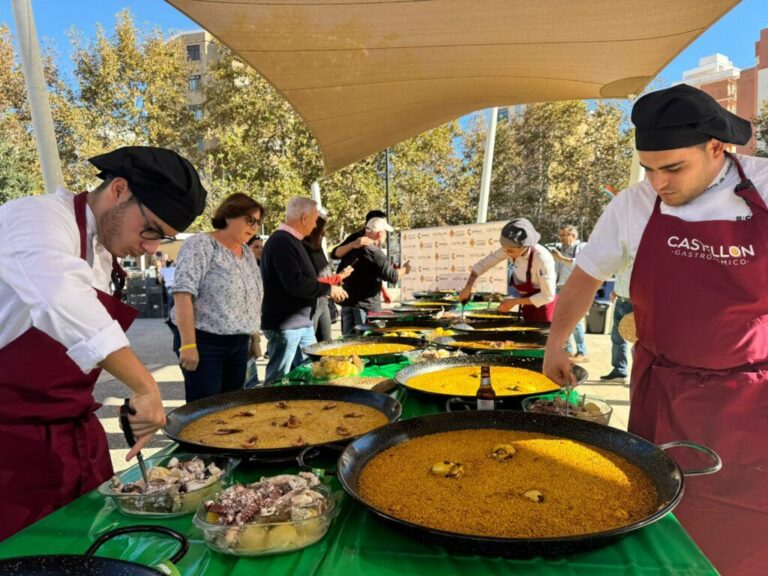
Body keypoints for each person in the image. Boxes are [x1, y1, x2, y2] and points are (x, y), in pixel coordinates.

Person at [543, 84, 767, 576]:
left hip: (752, 397)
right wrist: (556, 342)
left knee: (747, 531)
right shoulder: (633, 205)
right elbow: (585, 277)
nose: (657, 182)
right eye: (648, 167)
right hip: (660, 388)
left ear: (716, 148)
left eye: (672, 168)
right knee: (656, 508)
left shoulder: (765, 186)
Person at [0, 146, 206, 541]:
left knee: (93, 545)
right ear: (118, 190)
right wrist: (144, 384)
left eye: (162, 239)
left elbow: (87, 350)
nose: (151, 248)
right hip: (10, 447)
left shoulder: (104, 250)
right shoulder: (35, 217)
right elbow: (62, 299)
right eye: (151, 230)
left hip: (73, 439)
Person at [171, 193, 264, 402]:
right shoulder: (202, 244)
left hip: (238, 342)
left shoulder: (247, 253)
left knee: (232, 408)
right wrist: (187, 345)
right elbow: (183, 293)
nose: (254, 227)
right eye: (250, 220)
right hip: (205, 342)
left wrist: (254, 337)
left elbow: (251, 297)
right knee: (205, 410)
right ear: (229, 215)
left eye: (258, 222)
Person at [261, 197, 347, 384]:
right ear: (304, 218)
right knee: (278, 379)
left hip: (301, 323)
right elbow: (296, 283)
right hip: (286, 325)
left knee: (312, 371)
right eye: (315, 219)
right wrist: (328, 288)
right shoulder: (282, 242)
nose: (316, 224)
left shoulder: (292, 241)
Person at [459, 218, 557, 323]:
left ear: (523, 246)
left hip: (544, 307)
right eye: (504, 249)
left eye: (510, 251)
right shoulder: (508, 249)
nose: (506, 252)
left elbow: (548, 296)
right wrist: (468, 287)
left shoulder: (542, 258)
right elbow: (482, 265)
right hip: (526, 303)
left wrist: (514, 302)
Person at [338, 216, 410, 335]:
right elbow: (392, 276)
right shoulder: (374, 252)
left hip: (348, 303)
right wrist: (405, 269)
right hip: (365, 307)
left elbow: (367, 273)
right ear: (379, 234)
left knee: (348, 342)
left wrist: (383, 290)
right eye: (385, 233)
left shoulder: (353, 246)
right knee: (366, 342)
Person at [303, 212, 354, 342]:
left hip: (323, 303)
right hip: (310, 305)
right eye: (321, 232)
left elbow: (323, 275)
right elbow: (310, 282)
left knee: (326, 343)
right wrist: (338, 277)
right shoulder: (303, 249)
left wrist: (338, 277)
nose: (324, 235)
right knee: (309, 347)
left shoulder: (317, 249)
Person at [552, 225, 588, 362]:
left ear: (573, 235)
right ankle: (567, 349)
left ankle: (582, 351)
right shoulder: (561, 249)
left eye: (564, 235)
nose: (561, 238)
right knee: (562, 320)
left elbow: (581, 264)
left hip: (574, 287)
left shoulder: (581, 248)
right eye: (560, 235)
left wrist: (561, 258)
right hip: (560, 287)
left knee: (575, 320)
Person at [601, 266, 633, 382]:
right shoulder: (626, 252)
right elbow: (623, 274)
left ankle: (640, 376)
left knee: (638, 342)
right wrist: (616, 290)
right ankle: (619, 370)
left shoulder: (643, 254)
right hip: (621, 299)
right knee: (617, 338)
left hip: (634, 302)